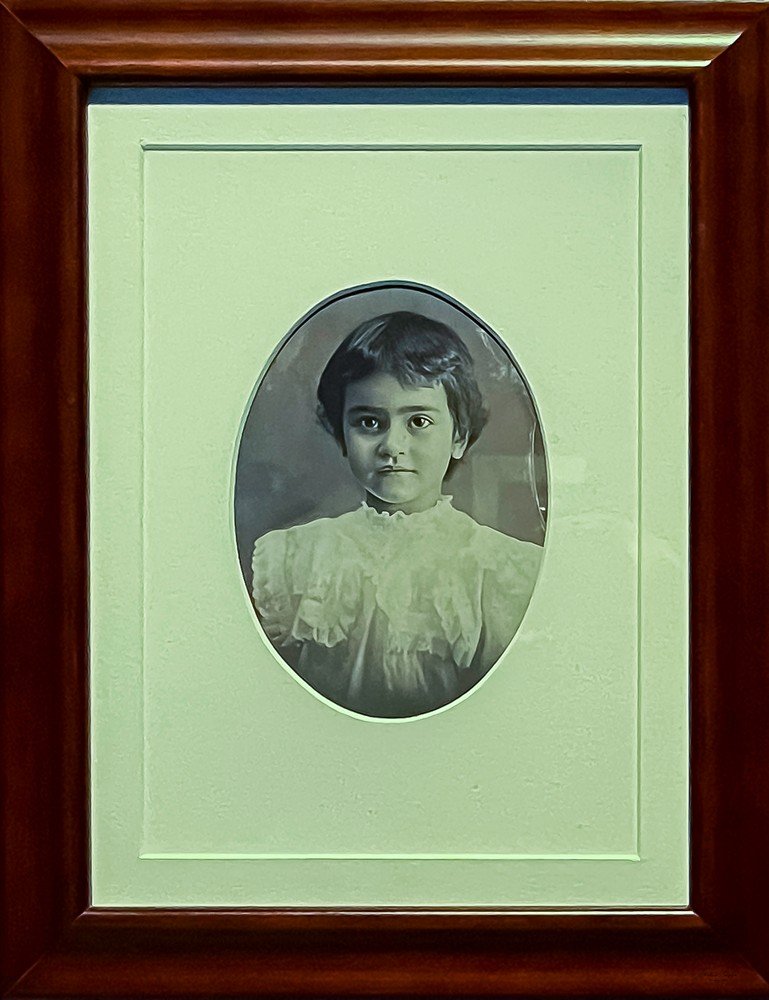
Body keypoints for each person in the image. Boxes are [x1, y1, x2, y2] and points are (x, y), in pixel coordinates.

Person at [252, 311, 543, 719]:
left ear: (459, 436)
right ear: (342, 435)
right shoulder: (294, 558)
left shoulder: (498, 568)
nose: (392, 445)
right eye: (369, 422)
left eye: (419, 421)